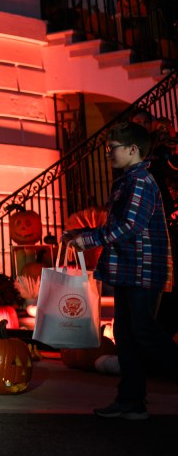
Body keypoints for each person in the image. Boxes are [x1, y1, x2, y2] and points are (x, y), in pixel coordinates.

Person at [63, 122, 178, 420]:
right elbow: (118, 224)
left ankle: (133, 398)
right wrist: (80, 232)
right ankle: (131, 400)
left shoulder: (141, 181)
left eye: (112, 149)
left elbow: (129, 226)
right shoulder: (126, 181)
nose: (108, 155)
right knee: (126, 335)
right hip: (127, 269)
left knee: (144, 331)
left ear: (132, 149)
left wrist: (87, 239)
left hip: (143, 270)